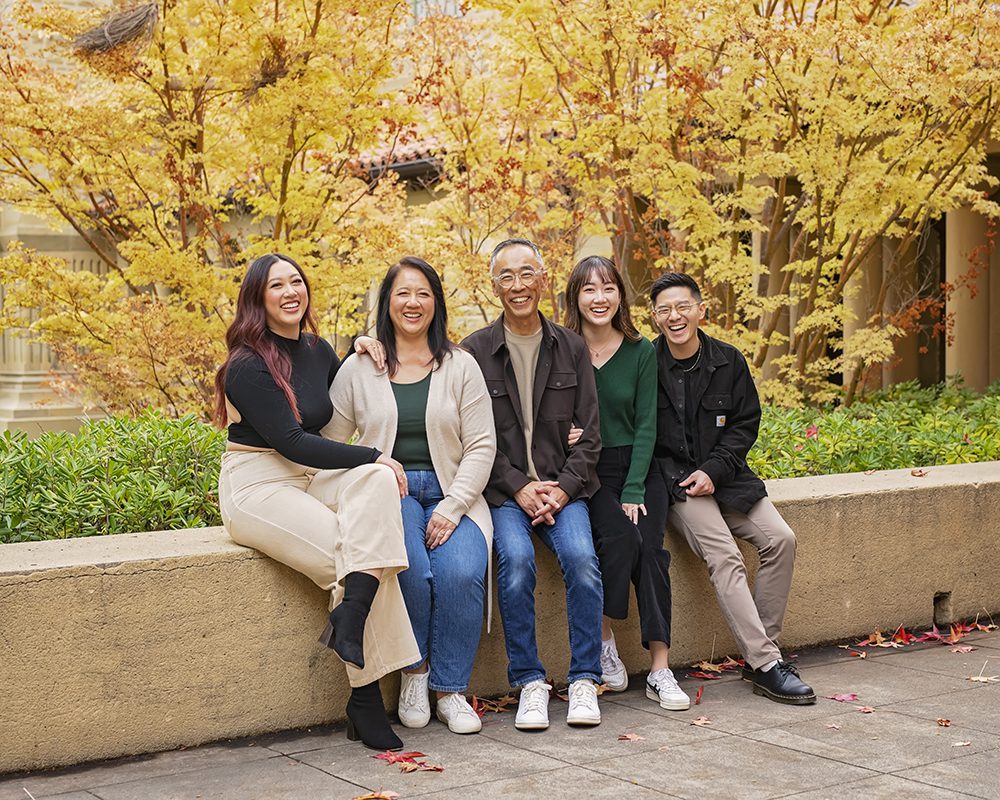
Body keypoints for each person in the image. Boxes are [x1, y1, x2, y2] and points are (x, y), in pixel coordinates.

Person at [214, 253, 421, 752]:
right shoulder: (245, 365)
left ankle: (350, 619)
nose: (291, 292)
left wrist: (358, 345)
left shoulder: (315, 347)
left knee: (374, 482)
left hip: (310, 476)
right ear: (258, 299)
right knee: (353, 555)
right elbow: (291, 440)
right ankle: (364, 699)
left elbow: (330, 390)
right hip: (258, 483)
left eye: (297, 282)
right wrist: (376, 453)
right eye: (277, 286)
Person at [323, 256, 495, 736]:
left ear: (436, 301)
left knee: (462, 571)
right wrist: (366, 464)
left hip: (453, 493)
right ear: (388, 302)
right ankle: (414, 676)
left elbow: (482, 445)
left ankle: (451, 689)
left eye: (423, 293)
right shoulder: (361, 365)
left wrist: (454, 504)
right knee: (411, 573)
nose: (412, 302)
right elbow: (332, 440)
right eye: (402, 293)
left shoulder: (461, 365)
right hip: (388, 493)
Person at [649, 272, 815, 705]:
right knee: (724, 554)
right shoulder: (645, 367)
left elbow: (744, 425)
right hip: (679, 486)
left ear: (701, 310)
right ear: (654, 318)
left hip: (727, 478)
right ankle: (766, 664)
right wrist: (689, 478)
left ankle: (762, 657)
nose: (675, 316)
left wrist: (714, 470)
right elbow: (641, 435)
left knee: (781, 539)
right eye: (665, 309)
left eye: (683, 306)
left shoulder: (729, 361)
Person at [461, 238, 604, 731]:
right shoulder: (473, 352)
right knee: (516, 561)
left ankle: (586, 677)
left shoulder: (571, 346)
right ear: (494, 284)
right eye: (507, 276)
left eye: (527, 274)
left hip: (564, 490)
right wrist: (520, 487)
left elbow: (592, 437)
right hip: (504, 493)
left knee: (583, 561)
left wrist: (561, 491)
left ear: (542, 278)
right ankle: (529, 683)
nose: (517, 285)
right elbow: (471, 437)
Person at [564, 256, 690, 711]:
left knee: (651, 550)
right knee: (618, 541)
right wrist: (563, 433)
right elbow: (544, 412)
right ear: (575, 297)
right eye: (589, 289)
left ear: (620, 295)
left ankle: (660, 667)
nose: (600, 298)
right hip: (588, 472)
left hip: (639, 468)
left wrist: (636, 487)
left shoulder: (640, 351)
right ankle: (604, 639)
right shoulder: (563, 347)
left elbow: (646, 426)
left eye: (609, 288)